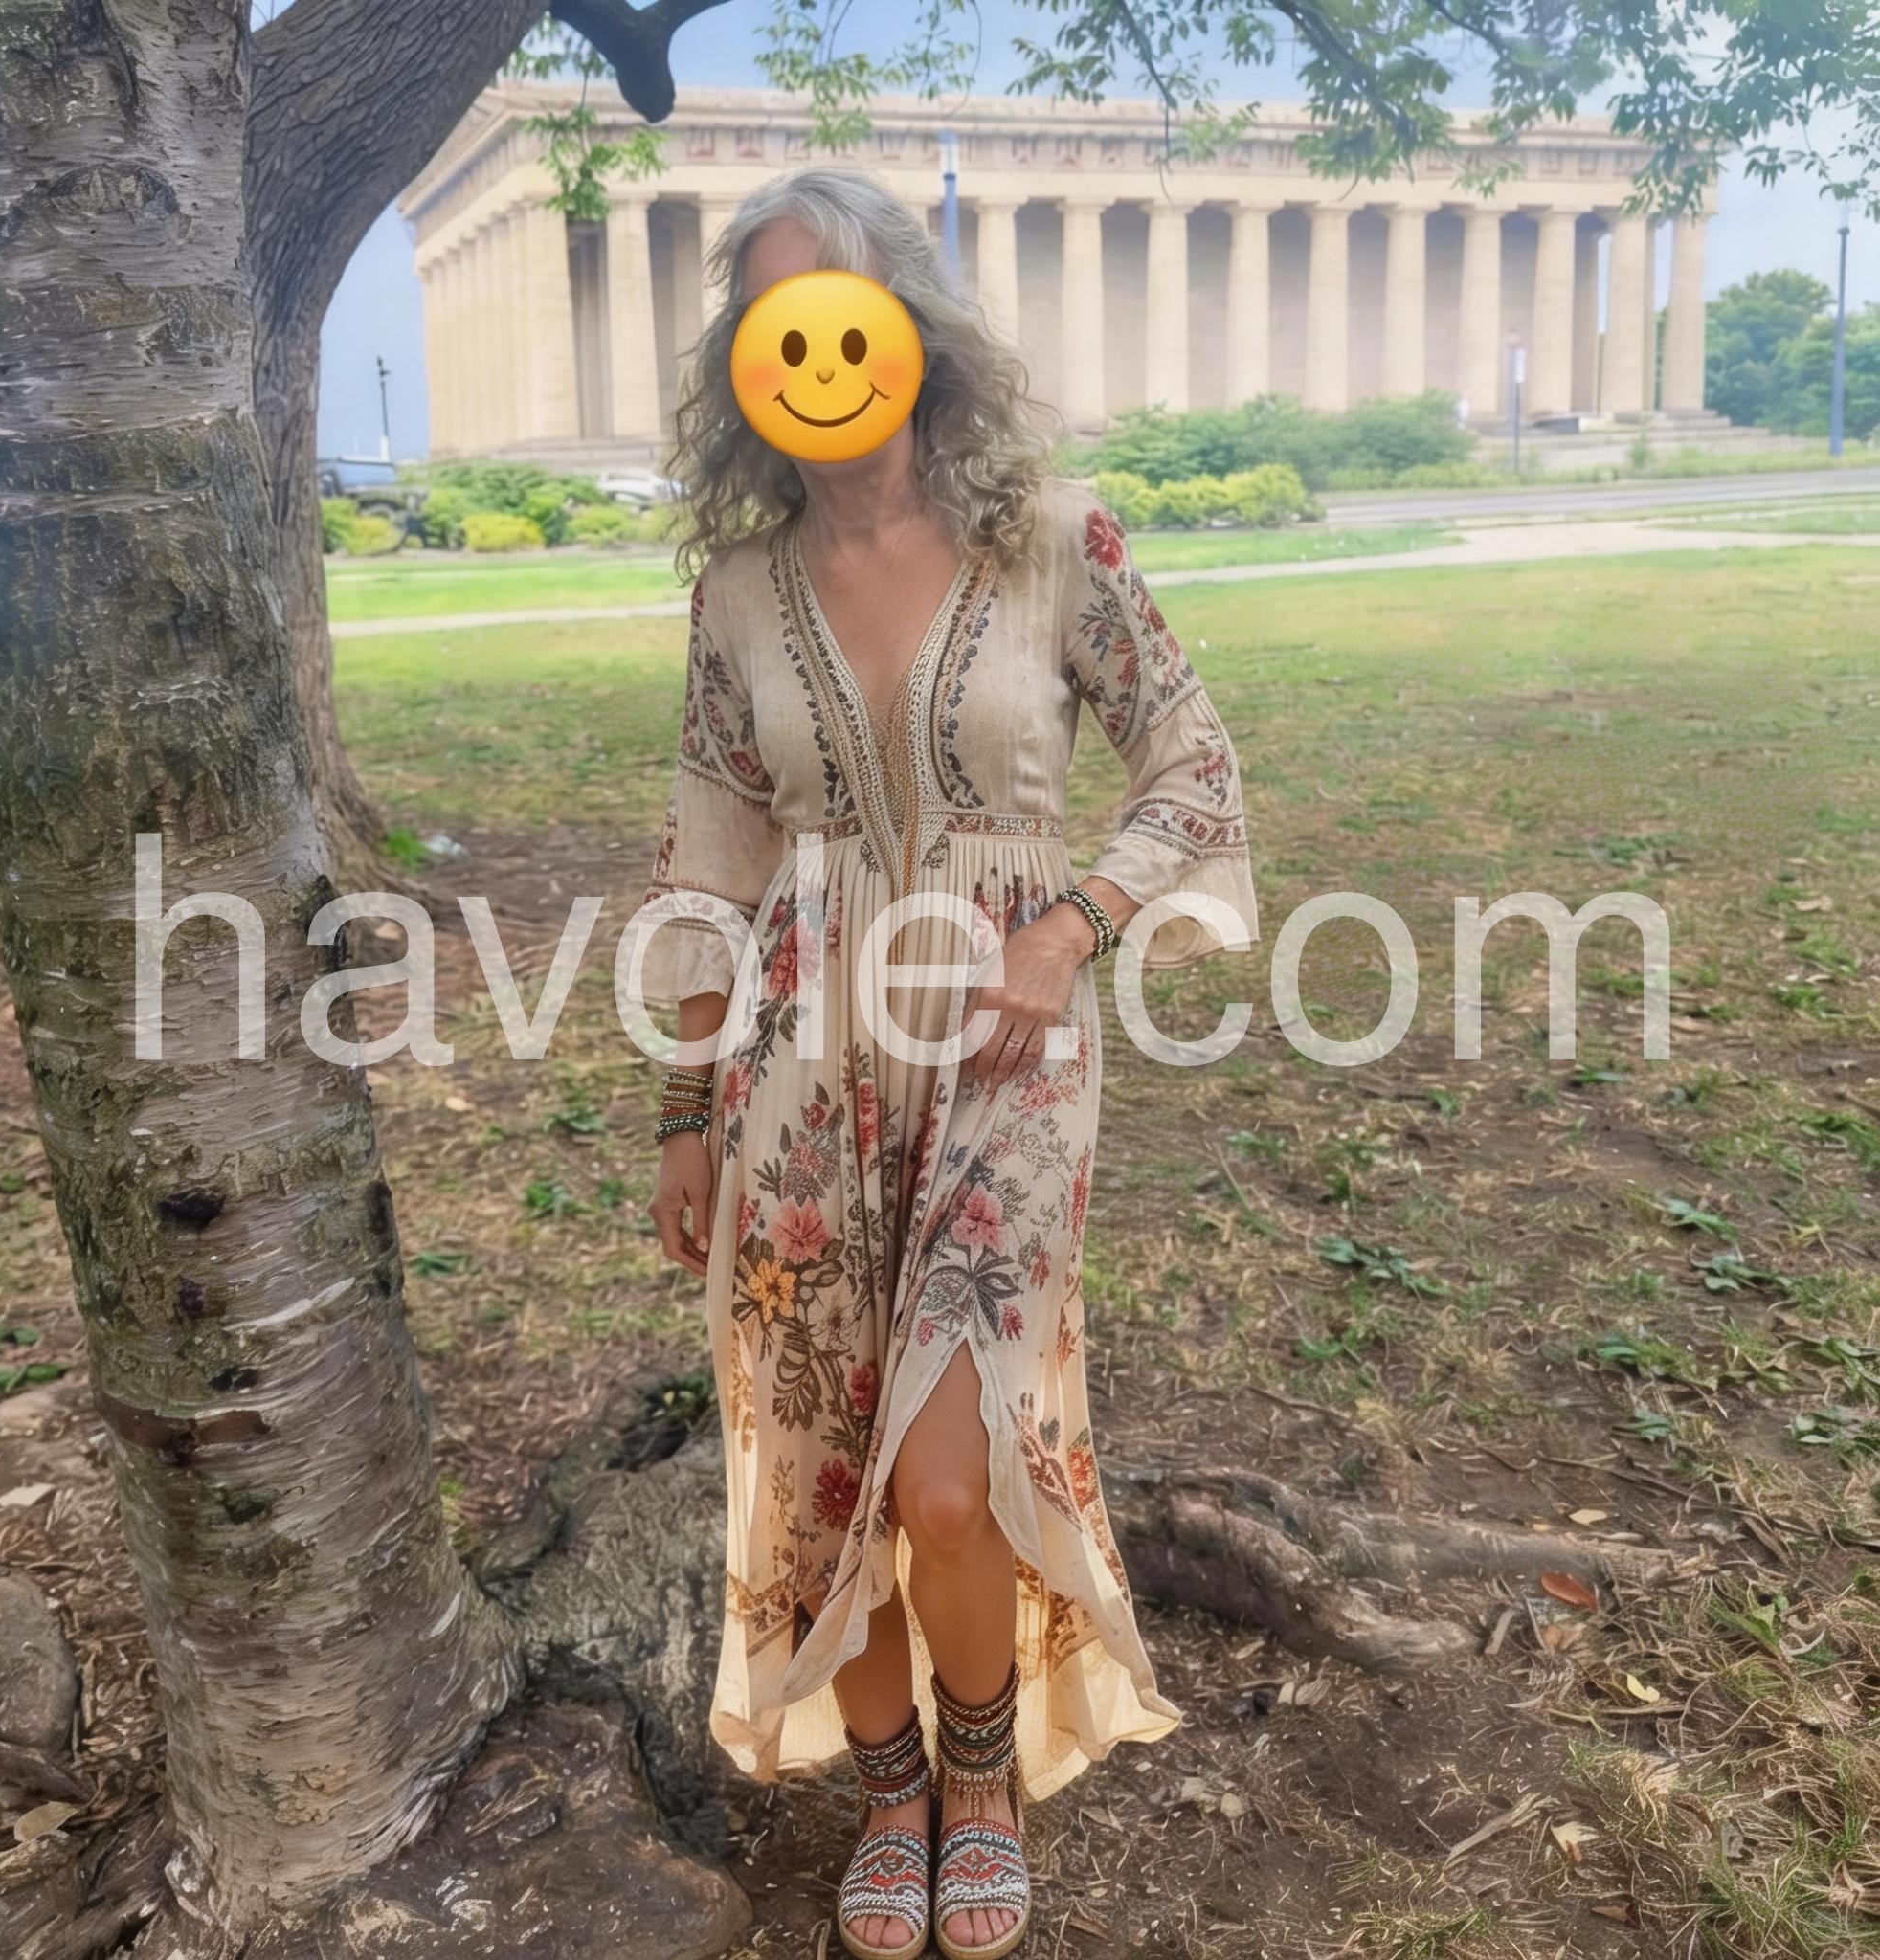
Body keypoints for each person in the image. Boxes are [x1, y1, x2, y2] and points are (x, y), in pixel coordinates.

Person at [643, 166, 1257, 1960]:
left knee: (945, 1473)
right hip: (799, 1071)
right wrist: (683, 1113)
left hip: (1007, 1056)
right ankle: (888, 1787)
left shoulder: (1056, 541)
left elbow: (1195, 767)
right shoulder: (739, 592)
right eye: (770, 319)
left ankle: (983, 1785)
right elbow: (708, 865)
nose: (811, 350)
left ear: (908, 323)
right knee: (823, 1462)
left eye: (834, 306)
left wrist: (1071, 927)